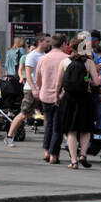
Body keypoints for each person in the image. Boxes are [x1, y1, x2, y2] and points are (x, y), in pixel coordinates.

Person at [55, 37, 101, 169]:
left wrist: (56, 96)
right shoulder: (89, 63)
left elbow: (59, 82)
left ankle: (74, 161)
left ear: (72, 47)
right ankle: (83, 155)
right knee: (85, 130)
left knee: (71, 131)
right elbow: (97, 83)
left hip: (69, 98)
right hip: (85, 99)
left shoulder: (64, 62)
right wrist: (87, 79)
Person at [7, 33, 49, 147]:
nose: (49, 43)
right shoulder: (32, 56)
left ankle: (48, 140)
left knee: (47, 114)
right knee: (24, 114)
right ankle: (9, 137)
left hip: (43, 89)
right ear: (40, 42)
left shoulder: (45, 55)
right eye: (47, 41)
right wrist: (34, 89)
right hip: (31, 90)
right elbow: (28, 74)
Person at [36, 33, 69, 164]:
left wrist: (40, 89)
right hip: (61, 96)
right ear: (63, 44)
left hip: (45, 95)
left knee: (48, 124)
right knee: (58, 127)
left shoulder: (43, 58)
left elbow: (38, 78)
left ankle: (46, 151)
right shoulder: (67, 59)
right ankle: (54, 154)